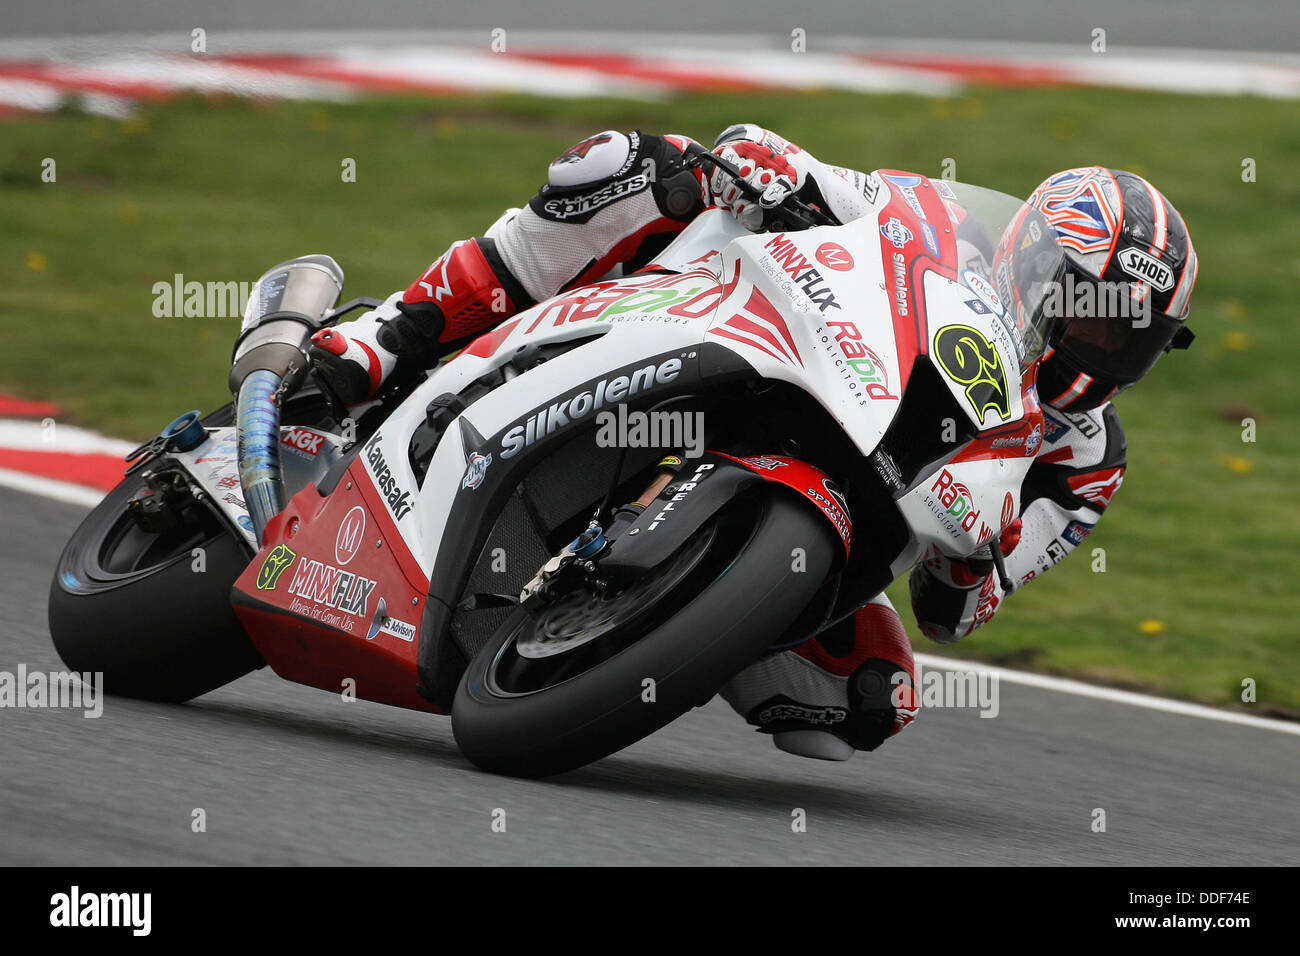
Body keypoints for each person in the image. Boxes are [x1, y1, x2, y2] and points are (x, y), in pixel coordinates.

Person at [309, 127, 1198, 761]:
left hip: (856, 521)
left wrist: (977, 563)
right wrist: (769, 170)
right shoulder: (941, 228)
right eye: (1088, 306)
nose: (1098, 341)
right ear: (1033, 257)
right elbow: (812, 177)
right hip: (760, 353)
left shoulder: (1086, 461)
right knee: (633, 165)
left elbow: (956, 614)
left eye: (1129, 336)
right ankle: (391, 336)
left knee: (869, 701)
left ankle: (647, 624)